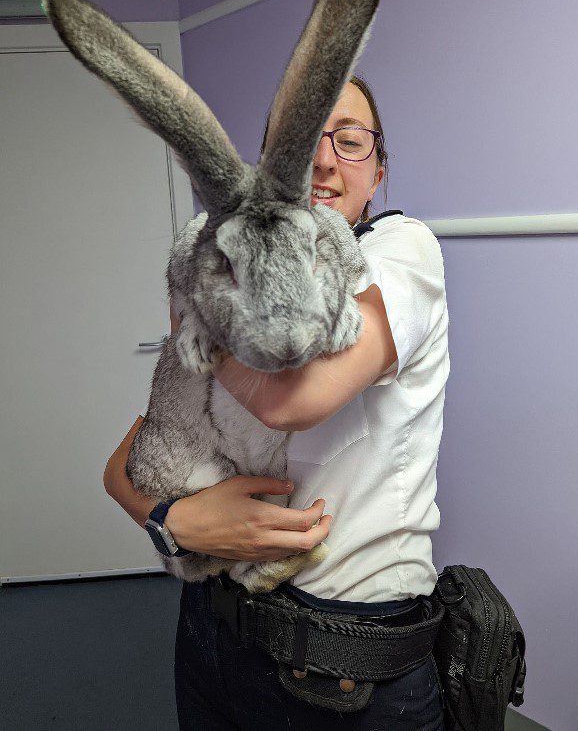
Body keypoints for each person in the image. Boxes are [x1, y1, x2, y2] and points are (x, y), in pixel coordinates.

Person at [104, 74, 449, 730]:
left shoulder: (400, 252)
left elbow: (295, 399)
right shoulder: (229, 260)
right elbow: (126, 461)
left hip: (341, 660)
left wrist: (199, 315)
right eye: (299, 143)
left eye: (349, 142)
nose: (322, 159)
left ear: (377, 173)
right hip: (211, 626)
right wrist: (170, 520)